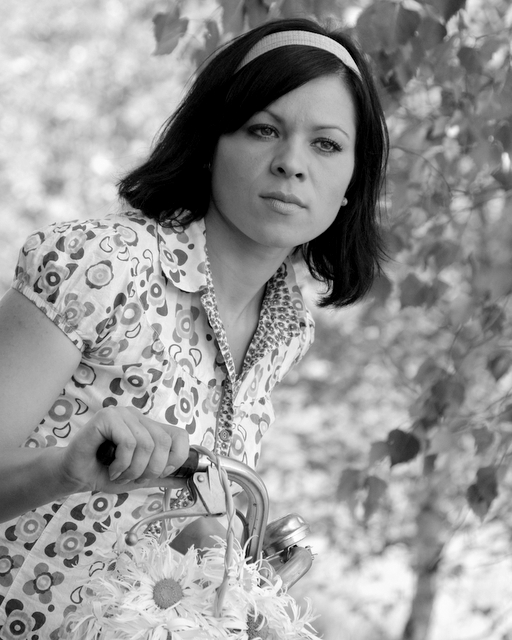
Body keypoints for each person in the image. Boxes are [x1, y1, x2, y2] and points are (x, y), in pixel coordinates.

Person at [0, 16, 388, 639]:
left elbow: (161, 527)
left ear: (351, 183)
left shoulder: (287, 330)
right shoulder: (104, 264)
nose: (291, 163)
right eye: (263, 130)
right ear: (211, 144)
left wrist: (237, 578)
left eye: (326, 144)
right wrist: (63, 469)